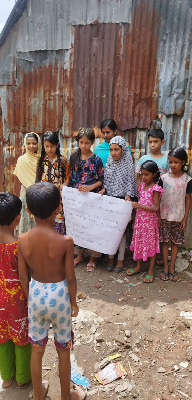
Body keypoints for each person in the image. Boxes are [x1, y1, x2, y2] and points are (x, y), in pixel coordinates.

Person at [18, 182, 86, 400]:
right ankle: (66, 396)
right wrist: (73, 303)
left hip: (36, 294)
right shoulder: (65, 241)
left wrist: (30, 299)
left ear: (28, 210)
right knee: (63, 349)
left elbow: (22, 276)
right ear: (58, 208)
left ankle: (39, 394)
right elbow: (70, 277)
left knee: (37, 349)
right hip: (59, 297)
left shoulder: (22, 240)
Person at [0, 192, 31, 389]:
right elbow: (22, 276)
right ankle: (22, 378)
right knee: (21, 336)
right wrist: (29, 298)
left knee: (2, 337)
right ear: (18, 218)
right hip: (17, 300)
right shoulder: (18, 244)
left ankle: (6, 377)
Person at [99, 136, 138, 272]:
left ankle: (120, 259)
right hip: (109, 200)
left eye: (117, 149)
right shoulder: (109, 162)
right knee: (109, 230)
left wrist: (128, 196)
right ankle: (110, 257)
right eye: (111, 150)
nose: (113, 152)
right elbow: (107, 181)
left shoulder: (128, 165)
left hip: (123, 201)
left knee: (121, 232)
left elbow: (131, 183)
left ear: (123, 150)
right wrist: (104, 189)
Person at [69, 127, 104, 271]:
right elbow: (71, 179)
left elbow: (101, 180)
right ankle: (79, 254)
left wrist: (90, 188)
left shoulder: (97, 160)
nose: (83, 146)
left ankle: (93, 257)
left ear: (92, 143)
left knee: (92, 228)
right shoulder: (74, 158)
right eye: (81, 142)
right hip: (77, 199)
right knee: (78, 226)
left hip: (92, 199)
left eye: (87, 143)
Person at [136, 128, 169, 266]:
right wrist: (140, 195)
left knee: (159, 228)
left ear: (162, 142)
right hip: (145, 200)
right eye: (150, 142)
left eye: (155, 141)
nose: (152, 145)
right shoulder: (144, 158)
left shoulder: (167, 159)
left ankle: (160, 254)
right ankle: (144, 256)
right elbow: (138, 178)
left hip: (163, 197)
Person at [159, 147, 192, 282]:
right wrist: (157, 216)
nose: (172, 165)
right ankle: (165, 267)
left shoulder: (187, 180)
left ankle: (172, 267)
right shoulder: (163, 178)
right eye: (170, 162)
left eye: (176, 162)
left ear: (183, 162)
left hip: (178, 217)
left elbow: (188, 199)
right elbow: (158, 198)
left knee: (175, 243)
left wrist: (185, 219)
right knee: (165, 242)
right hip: (164, 216)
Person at [126, 161, 163, 283]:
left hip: (150, 222)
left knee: (151, 245)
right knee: (140, 243)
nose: (144, 177)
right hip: (140, 221)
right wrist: (136, 218)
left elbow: (156, 207)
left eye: (146, 174)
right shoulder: (142, 186)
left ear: (154, 174)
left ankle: (151, 270)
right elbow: (139, 204)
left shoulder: (155, 189)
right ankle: (138, 265)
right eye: (142, 174)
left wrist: (139, 206)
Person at [36, 131, 69, 235]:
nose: (49, 149)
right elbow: (37, 178)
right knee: (45, 218)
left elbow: (68, 178)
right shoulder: (41, 160)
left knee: (58, 218)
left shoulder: (63, 161)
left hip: (58, 197)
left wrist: (65, 184)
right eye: (47, 146)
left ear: (57, 145)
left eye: (52, 146)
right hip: (43, 196)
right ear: (43, 146)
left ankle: (58, 246)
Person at [13, 132, 41, 234]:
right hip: (26, 193)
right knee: (26, 217)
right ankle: (25, 239)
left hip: (40, 193)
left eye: (34, 143)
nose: (31, 146)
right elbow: (22, 178)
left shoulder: (42, 159)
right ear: (25, 144)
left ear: (39, 143)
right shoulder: (22, 160)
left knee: (39, 217)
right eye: (28, 143)